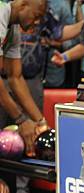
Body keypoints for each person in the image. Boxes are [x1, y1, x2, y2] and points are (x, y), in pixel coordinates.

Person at [0, 0, 49, 157]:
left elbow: (15, 77)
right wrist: (21, 119)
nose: (37, 22)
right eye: (36, 16)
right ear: (23, 5)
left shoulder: (13, 29)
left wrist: (41, 122)